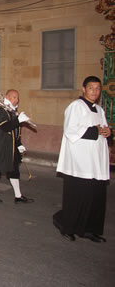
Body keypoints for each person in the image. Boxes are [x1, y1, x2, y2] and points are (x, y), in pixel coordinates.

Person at [53, 76, 111, 242]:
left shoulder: (100, 110)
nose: (95, 91)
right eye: (91, 88)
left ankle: (90, 229)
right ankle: (68, 227)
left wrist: (109, 133)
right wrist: (95, 131)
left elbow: (103, 129)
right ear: (84, 89)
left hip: (97, 163)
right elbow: (70, 130)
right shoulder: (75, 107)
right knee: (77, 197)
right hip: (79, 162)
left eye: (98, 88)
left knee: (95, 197)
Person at [0, 89, 34, 204]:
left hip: (11, 147)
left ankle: (18, 196)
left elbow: (15, 131)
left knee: (14, 170)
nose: (16, 100)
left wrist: (19, 144)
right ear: (7, 97)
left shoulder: (12, 111)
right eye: (14, 97)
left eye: (17, 98)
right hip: (1, 146)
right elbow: (5, 127)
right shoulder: (1, 111)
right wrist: (18, 120)